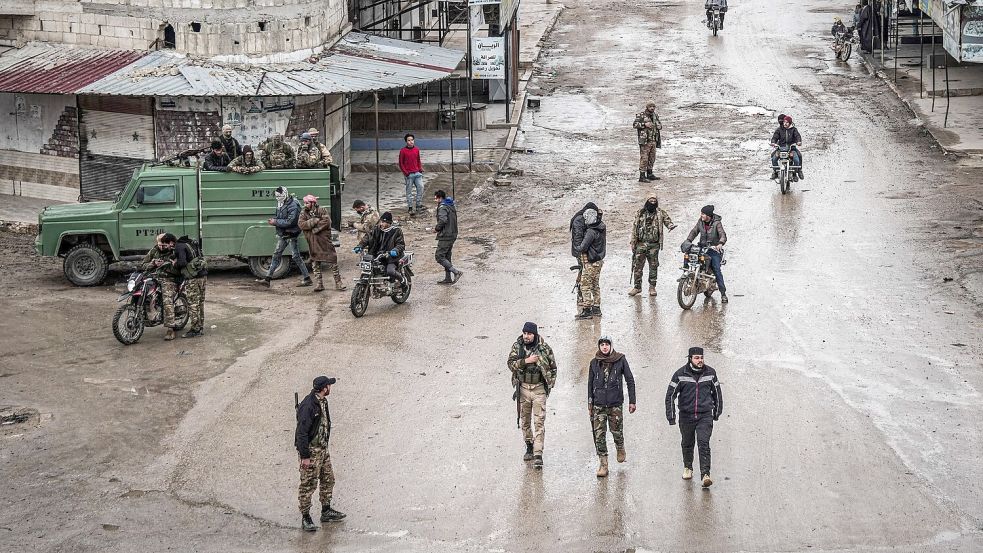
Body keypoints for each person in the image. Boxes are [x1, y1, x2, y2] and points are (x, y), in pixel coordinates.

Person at [665, 347, 723, 488]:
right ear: (690, 358)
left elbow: (717, 394)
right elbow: (670, 395)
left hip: (705, 415)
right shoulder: (680, 374)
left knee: (704, 443)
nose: (700, 360)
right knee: (687, 442)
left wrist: (717, 412)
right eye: (696, 358)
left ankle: (705, 475)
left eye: (701, 357)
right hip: (686, 415)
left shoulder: (710, 373)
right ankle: (688, 467)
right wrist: (671, 416)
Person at [296, 375, 346, 531]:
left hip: (323, 450)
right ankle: (306, 517)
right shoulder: (308, 406)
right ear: (324, 388)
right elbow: (301, 433)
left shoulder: (322, 401)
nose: (330, 387)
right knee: (308, 485)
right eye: (329, 385)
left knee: (328, 479)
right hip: (311, 452)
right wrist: (305, 456)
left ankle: (326, 510)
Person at [507, 321, 558, 469]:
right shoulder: (517, 346)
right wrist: (526, 361)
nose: (526, 336)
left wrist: (550, 385)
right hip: (523, 389)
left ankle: (538, 454)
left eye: (529, 334)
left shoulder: (544, 348)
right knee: (525, 421)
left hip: (538, 390)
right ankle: (529, 444)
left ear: (534, 334)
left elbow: (554, 368)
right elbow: (510, 364)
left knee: (539, 422)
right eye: (524, 333)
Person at [588, 336, 636, 478]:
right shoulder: (594, 363)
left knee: (617, 431)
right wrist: (590, 403)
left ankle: (620, 447)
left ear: (611, 346)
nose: (604, 347)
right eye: (602, 345)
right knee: (599, 435)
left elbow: (630, 380)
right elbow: (590, 384)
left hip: (615, 404)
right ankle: (603, 464)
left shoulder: (620, 359)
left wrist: (632, 401)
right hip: (598, 405)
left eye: (607, 345)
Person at [257, 186, 312, 288]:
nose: (278, 198)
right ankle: (267, 279)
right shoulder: (283, 202)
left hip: (290, 234)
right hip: (286, 233)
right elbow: (282, 216)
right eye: (277, 196)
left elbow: (290, 221)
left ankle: (307, 279)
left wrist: (275, 221)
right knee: (280, 254)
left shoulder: (293, 205)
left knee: (291, 256)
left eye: (280, 196)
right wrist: (276, 220)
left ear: (285, 194)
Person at [628, 195, 676, 297]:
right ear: (647, 201)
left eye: (654, 200)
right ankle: (637, 287)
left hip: (653, 245)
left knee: (653, 266)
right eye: (651, 200)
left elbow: (667, 221)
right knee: (637, 266)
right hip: (640, 243)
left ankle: (652, 287)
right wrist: (633, 242)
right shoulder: (640, 212)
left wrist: (670, 226)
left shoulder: (660, 213)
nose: (653, 202)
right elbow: (634, 228)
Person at [299, 194, 346, 292]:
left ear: (313, 203)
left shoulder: (322, 210)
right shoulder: (303, 213)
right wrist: (314, 220)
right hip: (313, 242)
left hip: (324, 241)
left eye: (307, 203)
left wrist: (314, 229)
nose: (305, 204)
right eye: (305, 203)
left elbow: (327, 222)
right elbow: (301, 224)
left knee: (333, 261)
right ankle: (319, 284)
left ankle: (338, 283)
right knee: (315, 263)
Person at [685, 205, 728, 303]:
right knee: (689, 256)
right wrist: (688, 240)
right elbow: (694, 231)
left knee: (716, 269)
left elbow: (723, 235)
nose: (701, 215)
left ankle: (723, 294)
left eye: (703, 214)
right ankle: (686, 275)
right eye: (701, 213)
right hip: (702, 247)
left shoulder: (717, 223)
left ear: (708, 215)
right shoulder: (700, 222)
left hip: (714, 250)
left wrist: (720, 244)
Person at [140, 233, 180, 341]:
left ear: (169, 244)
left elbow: (179, 269)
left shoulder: (174, 251)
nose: (161, 247)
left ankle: (170, 329)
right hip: (154, 277)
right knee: (141, 292)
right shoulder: (154, 250)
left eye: (164, 245)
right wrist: (153, 264)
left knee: (167, 301)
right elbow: (142, 265)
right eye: (159, 244)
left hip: (169, 279)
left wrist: (166, 265)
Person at [356, 211, 406, 287]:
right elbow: (367, 238)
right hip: (377, 255)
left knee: (390, 271)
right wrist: (360, 246)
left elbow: (400, 244)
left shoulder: (396, 231)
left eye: (383, 222)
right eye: (380, 222)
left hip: (391, 257)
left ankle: (403, 281)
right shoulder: (376, 229)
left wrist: (395, 251)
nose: (381, 224)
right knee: (369, 269)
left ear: (389, 223)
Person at [172, 235, 207, 338]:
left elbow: (182, 262)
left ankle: (195, 330)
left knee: (193, 304)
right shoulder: (192, 243)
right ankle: (200, 327)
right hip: (203, 276)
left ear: (172, 242)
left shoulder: (179, 246)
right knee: (200, 303)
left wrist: (174, 263)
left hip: (193, 279)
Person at [575, 207, 606, 319]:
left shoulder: (590, 232)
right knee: (595, 285)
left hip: (591, 262)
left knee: (585, 285)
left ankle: (587, 310)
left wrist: (577, 247)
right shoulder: (601, 227)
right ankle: (596, 308)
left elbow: (583, 247)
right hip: (598, 261)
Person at [570, 202, 599, 310]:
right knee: (583, 274)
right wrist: (581, 252)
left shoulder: (585, 218)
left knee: (585, 273)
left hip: (586, 250)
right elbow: (578, 238)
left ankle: (583, 297)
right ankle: (581, 297)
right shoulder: (579, 220)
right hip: (581, 251)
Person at [433, 189, 463, 284]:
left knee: (439, 256)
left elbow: (443, 220)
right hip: (453, 233)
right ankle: (448, 278)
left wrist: (437, 229)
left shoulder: (442, 207)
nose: (435, 200)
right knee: (447, 255)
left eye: (436, 198)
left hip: (446, 235)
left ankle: (456, 272)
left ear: (440, 198)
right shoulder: (450, 205)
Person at [632, 102, 662, 182]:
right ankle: (642, 176)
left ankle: (650, 174)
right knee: (644, 158)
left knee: (652, 158)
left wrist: (659, 126)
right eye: (650, 106)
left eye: (653, 106)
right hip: (645, 141)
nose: (652, 108)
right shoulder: (641, 115)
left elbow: (659, 125)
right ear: (647, 107)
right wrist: (644, 125)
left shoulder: (655, 115)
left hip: (653, 140)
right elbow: (635, 125)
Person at [770, 115, 803, 181]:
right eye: (784, 122)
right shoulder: (779, 130)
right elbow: (775, 137)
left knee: (797, 158)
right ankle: (775, 172)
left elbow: (797, 136)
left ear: (790, 123)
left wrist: (798, 142)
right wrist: (773, 142)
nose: (785, 123)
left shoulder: (794, 130)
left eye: (787, 122)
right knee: (773, 158)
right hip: (781, 148)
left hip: (791, 149)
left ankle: (796, 172)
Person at [398, 133, 425, 215]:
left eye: (412, 140)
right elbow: (401, 163)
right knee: (409, 191)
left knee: (421, 187)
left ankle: (418, 205)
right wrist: (406, 173)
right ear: (406, 142)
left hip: (417, 173)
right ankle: (410, 207)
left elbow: (418, 160)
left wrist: (420, 169)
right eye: (409, 140)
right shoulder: (403, 151)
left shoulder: (416, 149)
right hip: (409, 174)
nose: (411, 142)